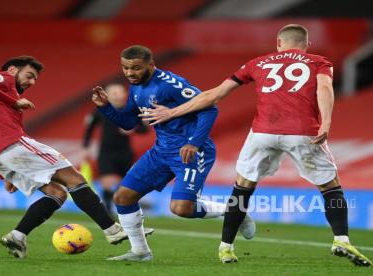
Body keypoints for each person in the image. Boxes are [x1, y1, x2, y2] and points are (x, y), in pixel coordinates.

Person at [141, 24, 372, 266]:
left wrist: (172, 112)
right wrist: (326, 122)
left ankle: (226, 247)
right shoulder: (318, 62)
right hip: (302, 131)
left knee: (242, 187)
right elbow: (324, 88)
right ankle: (341, 239)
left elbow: (216, 94)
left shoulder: (258, 63)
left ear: (279, 43)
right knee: (330, 188)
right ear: (306, 45)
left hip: (263, 132)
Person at [0, 55, 152, 259]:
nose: (31, 82)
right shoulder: (4, 78)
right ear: (13, 70)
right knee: (74, 179)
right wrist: (15, 101)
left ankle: (17, 235)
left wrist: (5, 174)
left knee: (57, 193)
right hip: (11, 143)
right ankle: (112, 229)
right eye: (29, 76)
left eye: (34, 79)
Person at [91, 45, 255, 262]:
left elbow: (210, 109)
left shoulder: (171, 86)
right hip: (161, 151)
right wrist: (106, 108)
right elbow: (129, 122)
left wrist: (194, 143)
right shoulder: (136, 87)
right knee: (123, 196)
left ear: (151, 65)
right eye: (126, 68)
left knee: (182, 209)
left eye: (136, 68)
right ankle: (140, 252)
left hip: (192, 151)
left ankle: (233, 212)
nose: (130, 73)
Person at [83, 83, 148, 215]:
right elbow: (89, 128)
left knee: (125, 182)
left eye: (120, 92)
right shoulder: (100, 110)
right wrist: (86, 146)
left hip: (125, 152)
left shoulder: (130, 110)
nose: (117, 95)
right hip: (106, 151)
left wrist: (133, 129)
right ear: (107, 95)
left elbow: (144, 129)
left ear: (125, 94)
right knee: (107, 180)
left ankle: (121, 203)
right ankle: (106, 208)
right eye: (114, 93)